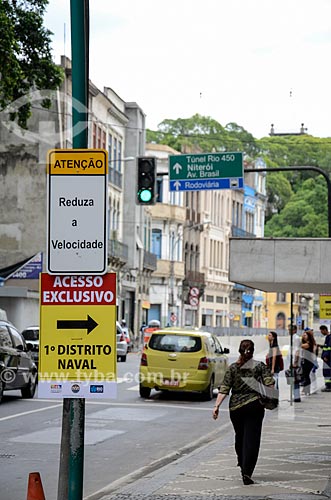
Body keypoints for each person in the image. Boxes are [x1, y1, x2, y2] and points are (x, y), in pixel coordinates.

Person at [212, 339, 274, 485]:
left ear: (240, 351)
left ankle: (241, 462)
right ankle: (247, 471)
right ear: (252, 351)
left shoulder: (233, 368)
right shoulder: (260, 367)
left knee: (240, 437)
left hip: (236, 408)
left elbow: (224, 388)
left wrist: (216, 406)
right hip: (254, 406)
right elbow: (269, 383)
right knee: (252, 439)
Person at [300, 328, 317, 396]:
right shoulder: (309, 343)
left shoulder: (309, 343)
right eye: (303, 335)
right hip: (306, 360)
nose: (304, 336)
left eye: (305, 335)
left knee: (306, 375)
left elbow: (301, 346)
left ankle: (307, 390)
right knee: (305, 375)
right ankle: (306, 390)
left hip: (308, 361)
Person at [288, 324, 302, 402]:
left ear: (295, 330)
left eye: (290, 330)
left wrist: (295, 362)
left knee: (295, 379)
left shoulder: (296, 338)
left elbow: (297, 351)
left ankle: (296, 396)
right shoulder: (292, 337)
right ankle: (295, 395)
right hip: (292, 360)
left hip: (294, 362)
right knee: (292, 379)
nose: (289, 331)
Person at [319, 325, 331, 392]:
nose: (321, 332)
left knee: (327, 372)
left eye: (321, 331)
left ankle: (328, 386)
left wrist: (326, 356)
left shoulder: (329, 337)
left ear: (325, 330)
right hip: (327, 358)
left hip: (328, 359)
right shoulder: (328, 337)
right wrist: (321, 346)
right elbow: (326, 347)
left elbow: (329, 348)